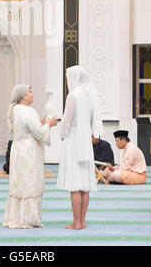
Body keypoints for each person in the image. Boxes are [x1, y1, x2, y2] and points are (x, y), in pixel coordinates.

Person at [2, 84, 58, 229]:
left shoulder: (13, 109)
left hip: (18, 148)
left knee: (19, 182)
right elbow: (39, 133)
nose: (32, 94)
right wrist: (49, 125)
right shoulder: (29, 111)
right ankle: (28, 219)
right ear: (22, 96)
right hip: (29, 150)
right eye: (30, 92)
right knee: (30, 182)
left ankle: (15, 218)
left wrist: (40, 124)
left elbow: (25, 129)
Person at [57, 65, 102, 230]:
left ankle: (76, 222)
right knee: (84, 185)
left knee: (75, 185)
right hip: (85, 141)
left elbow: (66, 121)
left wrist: (61, 134)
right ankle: (82, 221)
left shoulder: (73, 96)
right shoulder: (91, 96)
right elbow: (94, 121)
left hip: (74, 141)